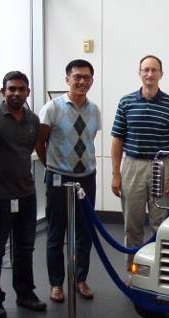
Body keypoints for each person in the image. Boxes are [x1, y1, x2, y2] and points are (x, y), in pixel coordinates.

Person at [110, 55, 169, 272]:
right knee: (132, 225)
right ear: (139, 73)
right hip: (132, 167)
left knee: (160, 224)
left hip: (161, 166)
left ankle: (159, 273)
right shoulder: (126, 102)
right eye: (146, 69)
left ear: (161, 74)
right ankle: (133, 271)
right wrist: (116, 174)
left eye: (154, 70)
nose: (150, 74)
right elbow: (117, 140)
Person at [36, 59, 101, 302]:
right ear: (67, 79)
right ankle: (56, 284)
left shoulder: (94, 110)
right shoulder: (52, 108)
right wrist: (53, 166)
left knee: (85, 232)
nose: (82, 81)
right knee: (56, 233)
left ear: (92, 80)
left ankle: (80, 279)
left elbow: (88, 139)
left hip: (87, 178)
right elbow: (40, 142)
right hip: (58, 178)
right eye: (77, 77)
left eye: (87, 77)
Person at [0, 71, 47, 318]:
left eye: (21, 89)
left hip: (26, 193)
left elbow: (31, 149)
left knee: (25, 248)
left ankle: (25, 293)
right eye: (11, 89)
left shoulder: (33, 119)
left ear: (27, 93)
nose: (16, 93)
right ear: (3, 91)